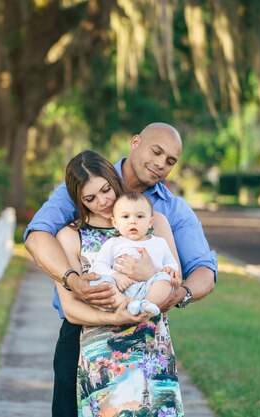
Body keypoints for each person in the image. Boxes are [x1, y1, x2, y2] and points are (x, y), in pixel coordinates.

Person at [24, 122, 218, 416]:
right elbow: (37, 235)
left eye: (170, 161)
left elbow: (201, 271)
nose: (160, 164)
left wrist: (167, 289)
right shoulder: (84, 179)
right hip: (83, 339)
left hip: (147, 342)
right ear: (136, 142)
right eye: (156, 151)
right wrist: (74, 281)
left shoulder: (167, 214)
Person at [54, 150, 184, 416]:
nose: (102, 201)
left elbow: (175, 283)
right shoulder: (70, 235)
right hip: (93, 349)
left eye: (106, 190)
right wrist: (117, 317)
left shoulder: (154, 222)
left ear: (114, 179)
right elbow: (70, 309)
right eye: (90, 198)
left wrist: (149, 274)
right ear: (79, 199)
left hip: (149, 347)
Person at [90, 192, 179, 318]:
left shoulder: (160, 243)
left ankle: (146, 304)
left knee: (165, 280)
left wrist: (170, 268)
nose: (132, 221)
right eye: (125, 217)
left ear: (150, 222)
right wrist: (115, 276)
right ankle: (127, 304)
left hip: (148, 288)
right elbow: (99, 265)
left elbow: (172, 263)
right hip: (119, 289)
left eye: (140, 216)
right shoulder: (113, 243)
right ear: (115, 223)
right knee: (100, 282)